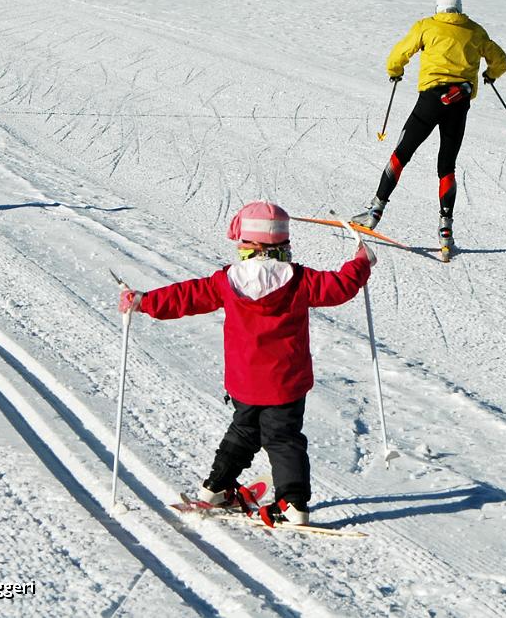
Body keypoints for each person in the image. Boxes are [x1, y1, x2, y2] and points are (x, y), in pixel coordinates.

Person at [118, 201, 375, 526]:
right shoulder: (300, 281)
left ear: (245, 244)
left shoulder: (227, 281)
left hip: (244, 382)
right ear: (283, 243)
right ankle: (293, 503)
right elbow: (341, 286)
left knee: (244, 430)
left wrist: (144, 301)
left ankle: (216, 488)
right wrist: (361, 263)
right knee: (283, 439)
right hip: (286, 384)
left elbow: (186, 296)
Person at [352, 0, 506, 251]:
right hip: (459, 104)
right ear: (459, 9)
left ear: (437, 8)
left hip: (430, 101)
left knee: (402, 153)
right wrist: (491, 74)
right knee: (447, 166)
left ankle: (374, 212)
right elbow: (500, 60)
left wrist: (395, 70)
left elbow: (399, 54)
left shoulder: (427, 26)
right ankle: (445, 229)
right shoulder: (475, 31)